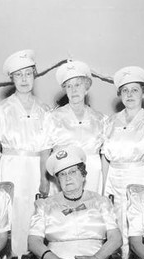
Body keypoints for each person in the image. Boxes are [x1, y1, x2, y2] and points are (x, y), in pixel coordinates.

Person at [0, 49, 50, 259]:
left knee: (35, 216)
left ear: (34, 75)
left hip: (35, 170)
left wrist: (44, 178)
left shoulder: (45, 109)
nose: (24, 79)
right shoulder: (0, 108)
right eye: (18, 75)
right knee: (12, 217)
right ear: (11, 78)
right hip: (11, 168)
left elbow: (45, 149)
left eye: (28, 74)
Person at [101, 66, 144, 257]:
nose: (129, 95)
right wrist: (104, 187)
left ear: (143, 92)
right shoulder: (111, 121)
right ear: (120, 94)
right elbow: (105, 156)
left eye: (135, 90)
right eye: (125, 90)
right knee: (114, 227)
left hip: (140, 177)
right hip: (114, 178)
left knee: (138, 226)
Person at [43, 60, 106, 193]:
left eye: (78, 85)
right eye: (69, 86)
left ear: (86, 88)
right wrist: (44, 181)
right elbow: (45, 151)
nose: (74, 90)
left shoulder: (101, 119)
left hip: (92, 177)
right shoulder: (53, 117)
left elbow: (106, 155)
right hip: (63, 176)